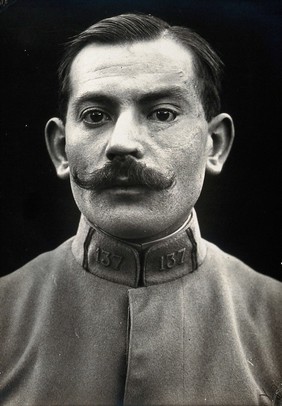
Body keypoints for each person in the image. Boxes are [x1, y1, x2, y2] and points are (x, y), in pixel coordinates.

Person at [0, 12, 281, 406]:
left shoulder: (275, 320)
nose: (122, 143)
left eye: (162, 113)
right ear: (61, 149)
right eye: (95, 116)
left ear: (214, 145)